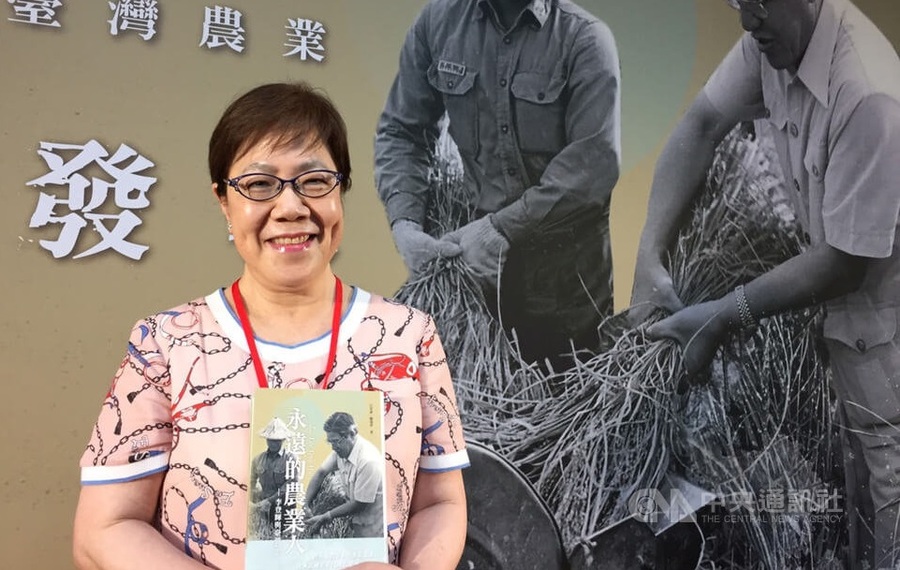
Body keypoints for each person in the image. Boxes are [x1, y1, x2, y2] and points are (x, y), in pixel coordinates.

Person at [72, 82, 470, 570]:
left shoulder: (410, 334)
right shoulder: (167, 343)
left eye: (315, 180)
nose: (290, 207)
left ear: (341, 192)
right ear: (223, 201)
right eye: (259, 184)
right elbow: (106, 528)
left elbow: (439, 503)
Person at [629, 0, 900, 567]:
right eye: (737, 2)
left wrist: (725, 316)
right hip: (849, 343)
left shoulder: (866, 91)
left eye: (758, 4)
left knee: (890, 521)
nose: (746, 21)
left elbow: (844, 261)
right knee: (860, 530)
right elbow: (701, 125)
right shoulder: (772, 42)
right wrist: (648, 256)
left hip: (888, 354)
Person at [374, 0, 621, 365]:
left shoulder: (585, 39)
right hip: (477, 286)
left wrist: (500, 230)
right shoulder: (438, 23)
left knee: (568, 390)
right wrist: (405, 224)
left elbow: (592, 166)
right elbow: (402, 133)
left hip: (567, 289)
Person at [305, 412, 385, 538]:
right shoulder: (341, 450)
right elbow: (321, 473)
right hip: (354, 522)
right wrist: (305, 504)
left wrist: (326, 516)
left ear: (351, 434)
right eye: (330, 442)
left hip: (372, 528)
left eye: (336, 441)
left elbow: (359, 504)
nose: (333, 447)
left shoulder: (368, 461)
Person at [248, 417, 296, 539]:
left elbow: (291, 484)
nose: (273, 443)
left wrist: (270, 501)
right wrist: (250, 501)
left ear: (283, 440)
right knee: (264, 537)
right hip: (263, 509)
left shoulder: (290, 459)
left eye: (277, 440)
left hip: (284, 509)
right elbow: (250, 482)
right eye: (271, 440)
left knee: (283, 539)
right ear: (267, 440)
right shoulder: (258, 459)